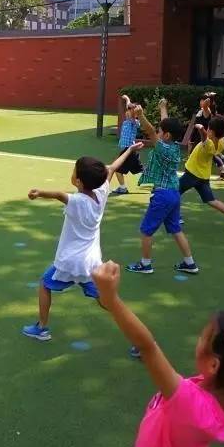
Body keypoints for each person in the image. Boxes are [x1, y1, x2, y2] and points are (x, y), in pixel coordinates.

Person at [93, 236, 224, 447]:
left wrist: (111, 299)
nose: (200, 338)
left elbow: (148, 347)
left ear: (214, 364)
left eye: (204, 336)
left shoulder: (189, 402)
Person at [21, 142, 144, 341]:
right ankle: (139, 339)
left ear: (78, 181)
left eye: (74, 171)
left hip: (70, 263)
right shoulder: (102, 192)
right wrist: (130, 150)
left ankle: (42, 328)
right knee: (109, 302)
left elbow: (60, 195)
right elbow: (112, 167)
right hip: (92, 264)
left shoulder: (77, 201)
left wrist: (39, 192)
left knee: (44, 284)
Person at [126, 99, 197, 275]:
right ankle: (189, 263)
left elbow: (150, 131)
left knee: (146, 230)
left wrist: (141, 115)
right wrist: (163, 108)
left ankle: (145, 264)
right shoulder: (173, 147)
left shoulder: (162, 148)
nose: (157, 132)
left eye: (160, 131)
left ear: (165, 135)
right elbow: (163, 127)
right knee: (175, 229)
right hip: (174, 193)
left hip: (163, 196)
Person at [184, 92, 224, 180]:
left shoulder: (206, 110)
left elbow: (205, 106)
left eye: (203, 100)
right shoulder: (201, 111)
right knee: (210, 154)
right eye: (201, 100)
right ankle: (223, 169)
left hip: (204, 136)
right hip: (199, 136)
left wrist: (210, 97)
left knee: (199, 154)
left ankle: (190, 174)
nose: (201, 102)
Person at [112, 95, 144, 195]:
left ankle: (123, 188)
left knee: (117, 169)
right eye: (128, 110)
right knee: (140, 170)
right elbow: (128, 107)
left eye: (130, 111)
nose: (127, 112)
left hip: (128, 150)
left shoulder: (134, 122)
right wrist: (127, 100)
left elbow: (131, 108)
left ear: (135, 114)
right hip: (130, 151)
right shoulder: (127, 122)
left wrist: (127, 99)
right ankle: (156, 182)